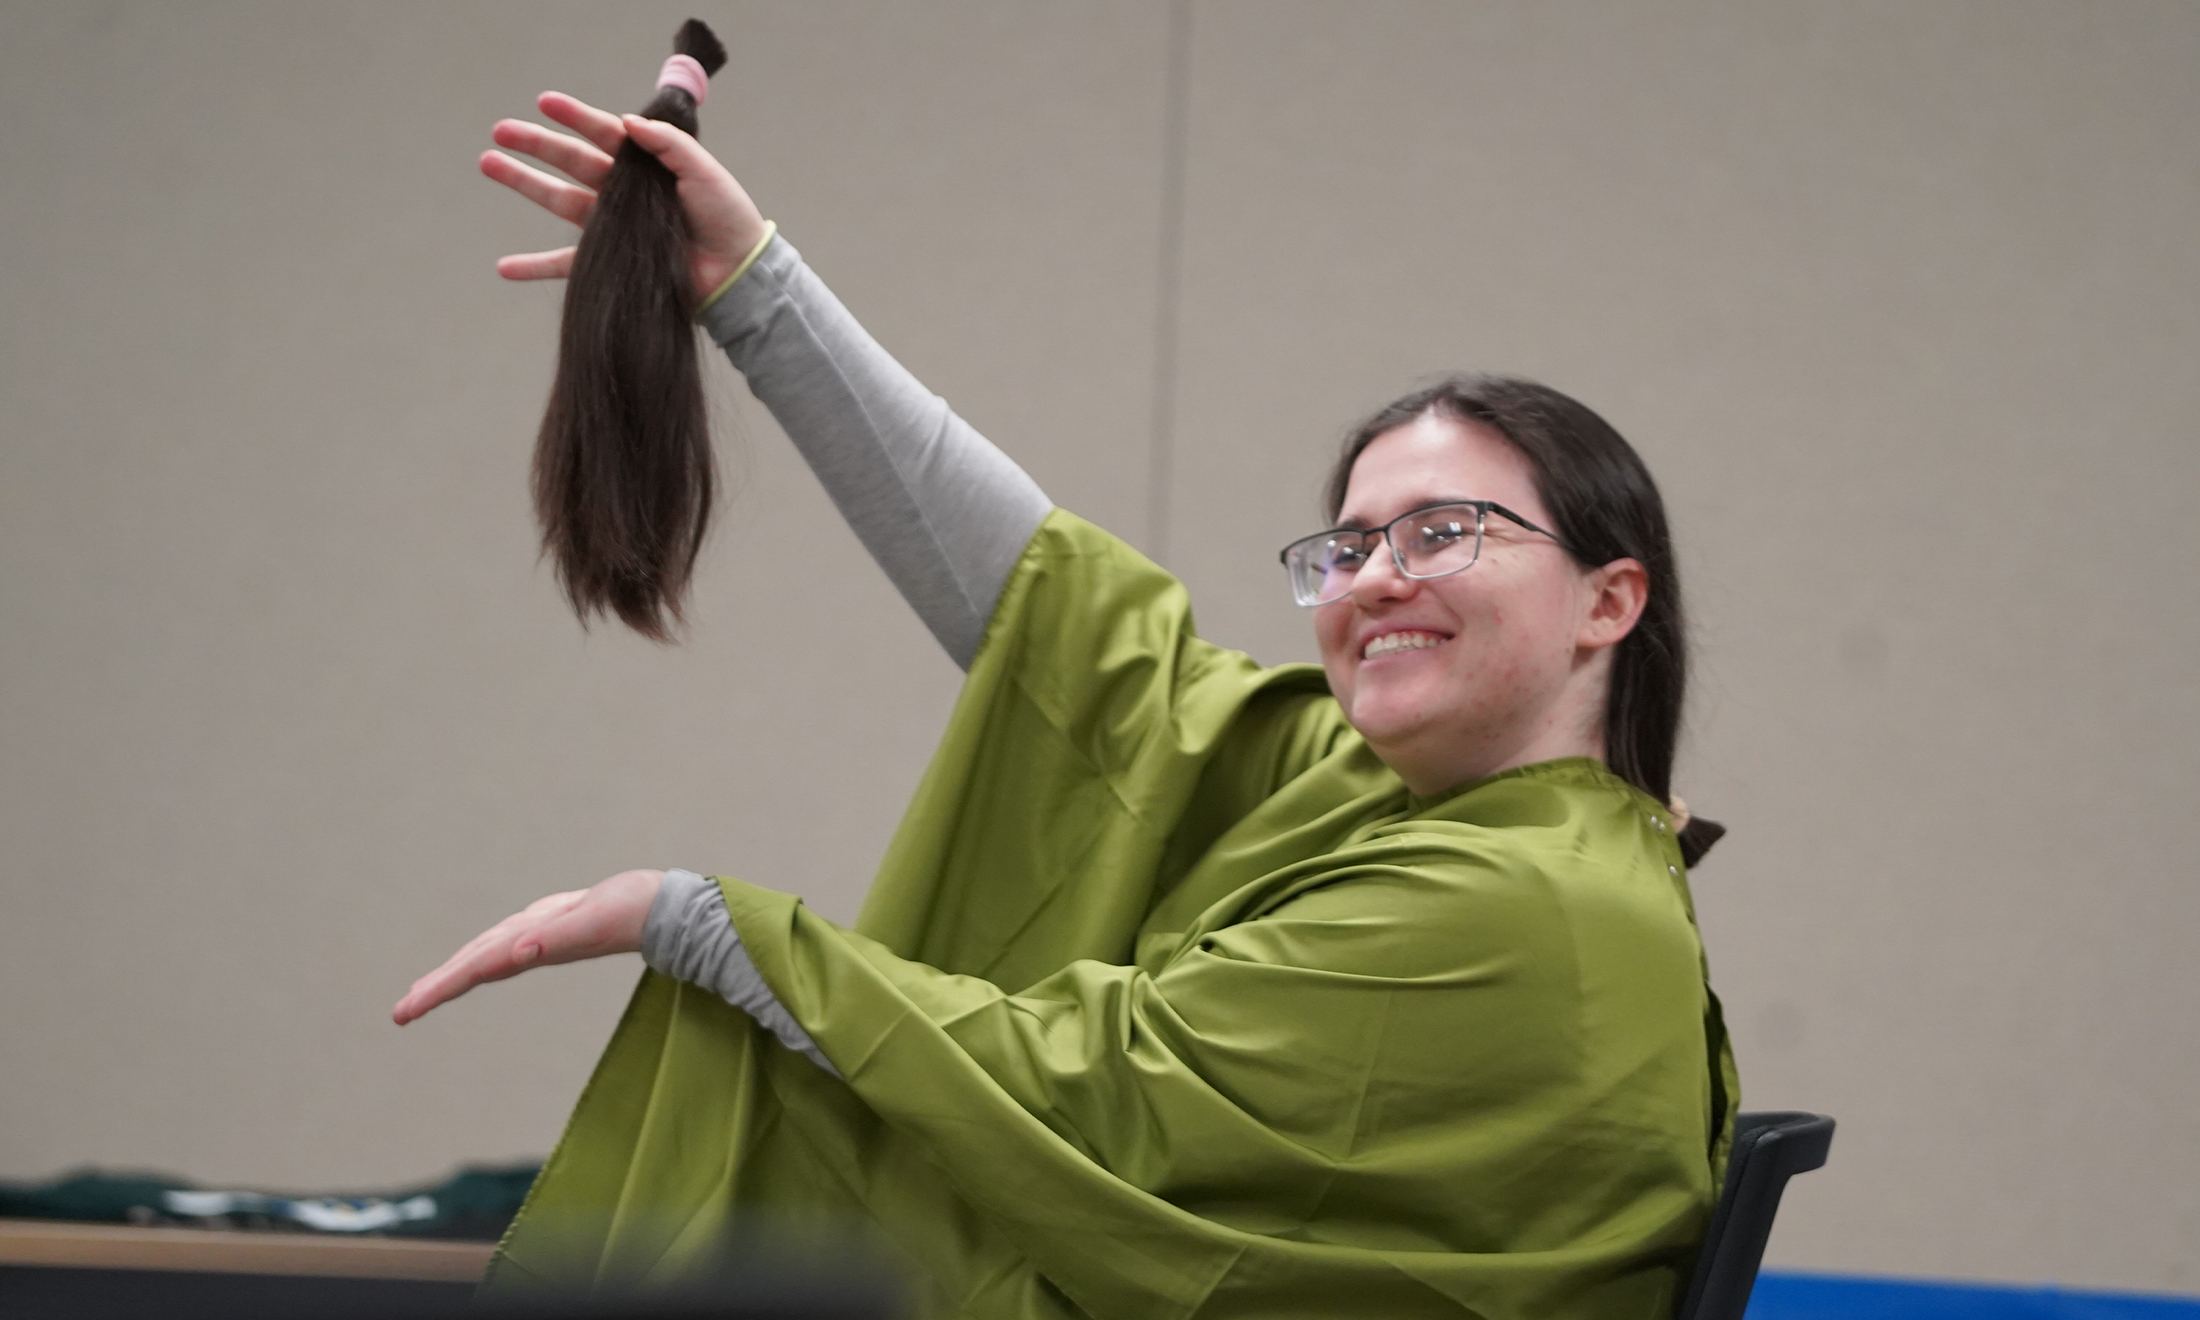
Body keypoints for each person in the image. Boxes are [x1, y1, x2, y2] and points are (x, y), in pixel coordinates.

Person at [394, 91, 1737, 1320]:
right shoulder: (1423, 809)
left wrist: (691, 920)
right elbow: (1083, 653)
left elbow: (1099, 1083)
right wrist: (750, 291)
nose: (1374, 579)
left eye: (1444, 532)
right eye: (1346, 547)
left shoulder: (1523, 901)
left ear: (1609, 601)